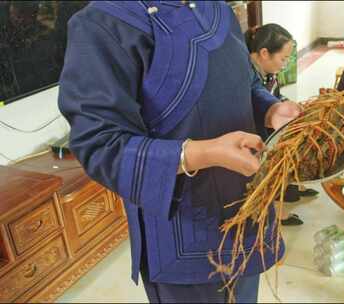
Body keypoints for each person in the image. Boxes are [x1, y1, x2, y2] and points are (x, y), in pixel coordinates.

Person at [58, 1, 301, 302]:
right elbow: (100, 144)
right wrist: (204, 152)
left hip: (248, 213)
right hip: (186, 238)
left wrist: (269, 109)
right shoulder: (104, 22)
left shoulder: (218, 9)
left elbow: (246, 80)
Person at [245, 23, 318, 226]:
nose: (285, 64)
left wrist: (285, 104)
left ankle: (292, 189)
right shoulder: (244, 75)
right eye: (283, 58)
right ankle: (271, 212)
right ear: (264, 53)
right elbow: (256, 100)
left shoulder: (267, 72)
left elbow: (273, 96)